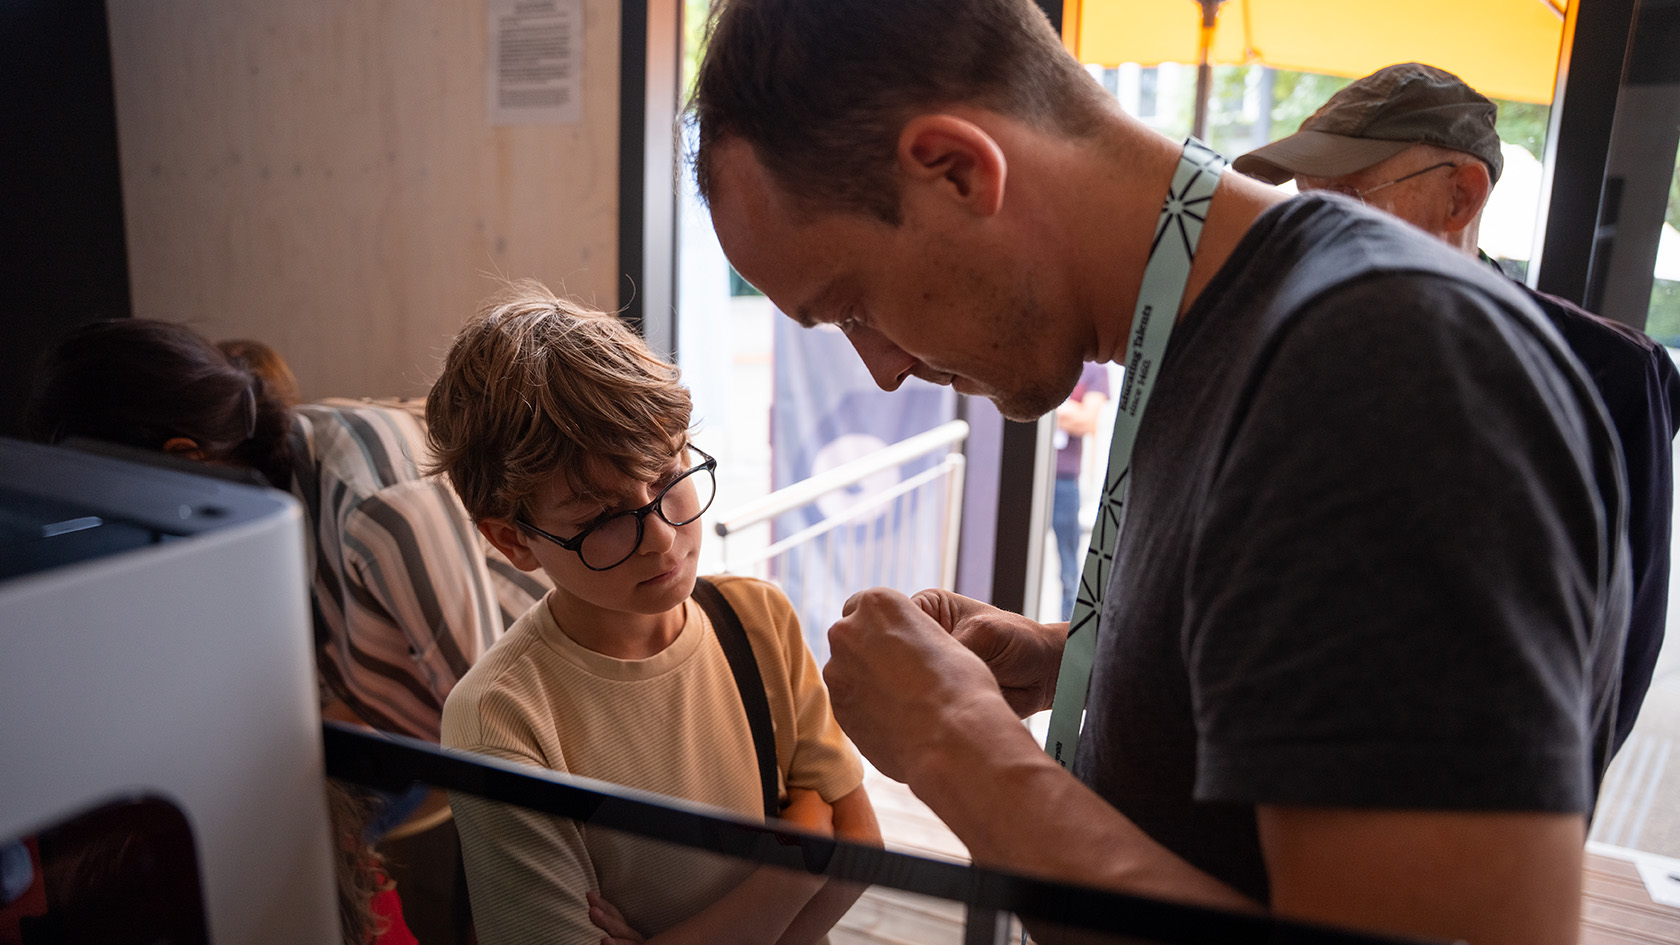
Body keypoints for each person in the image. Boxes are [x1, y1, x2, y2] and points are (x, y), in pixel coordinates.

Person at [690, 2, 1629, 943]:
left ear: (959, 170)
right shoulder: (1223, 330)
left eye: (851, 305)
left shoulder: (1385, 364)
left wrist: (952, 738)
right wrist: (1077, 658)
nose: (882, 370)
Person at [24, 318, 541, 945]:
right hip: (372, 708)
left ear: (183, 458)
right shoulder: (257, 492)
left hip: (478, 729)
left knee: (236, 846)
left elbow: (493, 727)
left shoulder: (376, 509)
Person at [1232, 61, 1680, 755]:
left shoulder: (1608, 372)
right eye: (1304, 203)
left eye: (1346, 198)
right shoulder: (1300, 341)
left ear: (1460, 197)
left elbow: (1614, 665)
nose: (1313, 233)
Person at [425, 280, 880, 945]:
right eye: (606, 518)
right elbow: (830, 841)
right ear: (513, 539)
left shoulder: (756, 619)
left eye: (669, 478)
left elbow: (862, 845)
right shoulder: (501, 716)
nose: (664, 536)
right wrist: (795, 863)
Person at [1051, 363, 1111, 620]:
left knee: (1069, 567)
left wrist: (1051, 406)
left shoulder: (1096, 371)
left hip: (1066, 481)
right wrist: (1069, 410)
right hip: (1044, 476)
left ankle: (1066, 633)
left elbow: (1087, 421)